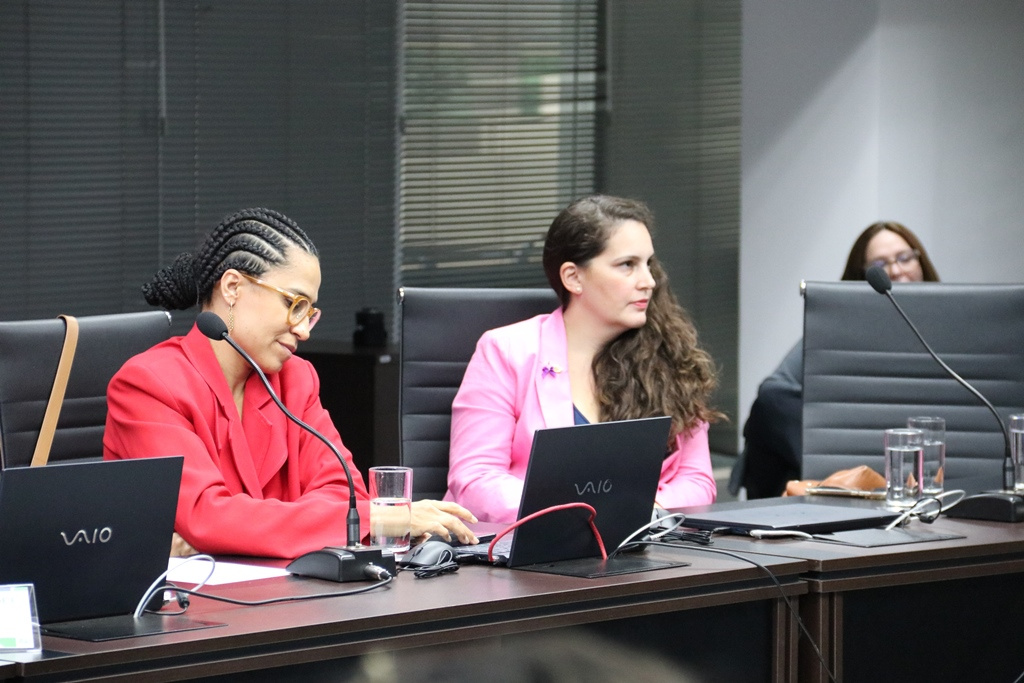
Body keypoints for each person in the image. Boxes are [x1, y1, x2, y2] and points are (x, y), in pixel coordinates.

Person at [104, 207, 477, 558]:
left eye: (309, 312)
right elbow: (207, 516)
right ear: (232, 287)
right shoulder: (149, 384)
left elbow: (345, 494)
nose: (303, 330)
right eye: (293, 304)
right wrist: (370, 519)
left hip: (291, 591)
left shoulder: (296, 379)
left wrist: (236, 530)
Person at [446, 195, 722, 523]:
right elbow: (476, 479)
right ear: (573, 278)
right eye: (627, 265)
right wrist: (586, 510)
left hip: (641, 542)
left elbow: (697, 481)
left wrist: (639, 511)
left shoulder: (668, 357)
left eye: (648, 264)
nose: (648, 281)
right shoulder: (506, 350)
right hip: (528, 540)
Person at [731, 221, 940, 498]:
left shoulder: (946, 321)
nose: (897, 271)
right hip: (847, 446)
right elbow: (774, 393)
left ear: (921, 261)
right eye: (880, 264)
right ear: (862, 276)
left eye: (904, 258)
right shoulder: (842, 323)